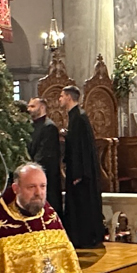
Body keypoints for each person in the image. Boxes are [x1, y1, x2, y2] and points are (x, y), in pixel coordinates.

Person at [59, 85, 105, 252]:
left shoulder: (79, 117)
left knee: (82, 205)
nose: (60, 99)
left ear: (69, 98)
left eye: (62, 96)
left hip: (81, 173)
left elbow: (82, 148)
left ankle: (85, 238)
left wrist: (78, 173)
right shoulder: (75, 116)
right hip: (76, 169)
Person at [27, 96, 65, 204]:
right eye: (28, 106)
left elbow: (45, 154)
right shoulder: (30, 125)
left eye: (33, 106)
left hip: (46, 176)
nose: (29, 109)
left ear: (42, 107)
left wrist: (32, 168)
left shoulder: (49, 127)